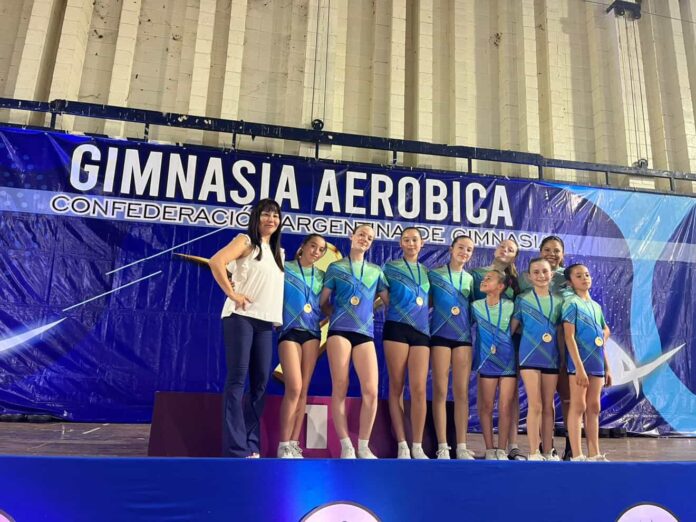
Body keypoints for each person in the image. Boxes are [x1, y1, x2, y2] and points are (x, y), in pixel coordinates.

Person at [209, 199, 284, 458]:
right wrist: (233, 294)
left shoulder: (277, 252)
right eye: (266, 214)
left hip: (265, 322)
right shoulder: (245, 241)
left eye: (275, 215)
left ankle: (251, 444)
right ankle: (235, 447)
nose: (271, 219)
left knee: (261, 382)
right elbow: (216, 262)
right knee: (237, 380)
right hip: (240, 317)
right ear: (256, 217)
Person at [319, 224, 389, 459]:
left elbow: (390, 301)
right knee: (340, 385)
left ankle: (363, 445)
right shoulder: (336, 267)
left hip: (364, 333)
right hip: (339, 331)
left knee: (371, 391)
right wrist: (336, 315)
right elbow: (323, 302)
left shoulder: (376, 271)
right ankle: (346, 445)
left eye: (369, 238)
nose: (364, 239)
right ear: (352, 236)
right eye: (361, 235)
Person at [471, 238, 524, 460]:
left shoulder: (516, 282)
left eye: (511, 249)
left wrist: (506, 336)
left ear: (515, 256)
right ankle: (491, 447)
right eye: (503, 246)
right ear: (495, 248)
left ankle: (510, 445)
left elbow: (519, 319)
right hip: (486, 347)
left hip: (508, 346)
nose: (505, 250)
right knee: (486, 401)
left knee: (509, 401)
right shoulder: (477, 275)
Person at [276, 234, 327, 458]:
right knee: (294, 388)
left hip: (313, 333)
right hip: (289, 331)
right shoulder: (285, 268)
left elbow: (325, 306)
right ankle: (283, 444)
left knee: (303, 390)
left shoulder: (322, 276)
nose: (316, 251)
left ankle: (294, 444)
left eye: (321, 249)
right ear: (303, 246)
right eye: (313, 246)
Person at [382, 227, 431, 459]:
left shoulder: (427, 272)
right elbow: (383, 297)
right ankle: (402, 443)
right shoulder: (390, 268)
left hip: (421, 332)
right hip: (397, 328)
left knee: (419, 389)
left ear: (422, 244)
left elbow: (430, 301)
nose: (411, 243)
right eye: (406, 240)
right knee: (397, 387)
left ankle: (417, 445)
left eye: (415, 240)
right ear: (400, 244)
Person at [511, 258, 564, 461]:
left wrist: (563, 358)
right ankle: (534, 451)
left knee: (549, 406)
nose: (541, 275)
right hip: (529, 357)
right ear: (529, 276)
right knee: (536, 404)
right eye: (536, 272)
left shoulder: (559, 301)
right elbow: (511, 330)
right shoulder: (522, 300)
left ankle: (548, 450)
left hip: (551, 358)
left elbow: (562, 333)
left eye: (544, 271)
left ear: (552, 274)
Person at [429, 235, 476, 460]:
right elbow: (426, 302)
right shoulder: (435, 275)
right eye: (461, 247)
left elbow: (475, 309)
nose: (464, 252)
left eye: (469, 249)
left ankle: (461, 446)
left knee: (461, 393)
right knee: (439, 391)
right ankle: (442, 446)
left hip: (463, 338)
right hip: (440, 335)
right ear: (451, 249)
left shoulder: (471, 279)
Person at [562, 263, 612, 461]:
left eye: (587, 274)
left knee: (594, 406)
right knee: (578, 405)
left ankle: (594, 453)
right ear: (570, 282)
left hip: (596, 362)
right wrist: (579, 368)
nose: (584, 278)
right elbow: (569, 337)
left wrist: (607, 367)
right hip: (579, 363)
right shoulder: (571, 304)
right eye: (578, 275)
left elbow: (603, 334)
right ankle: (577, 454)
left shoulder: (596, 306)